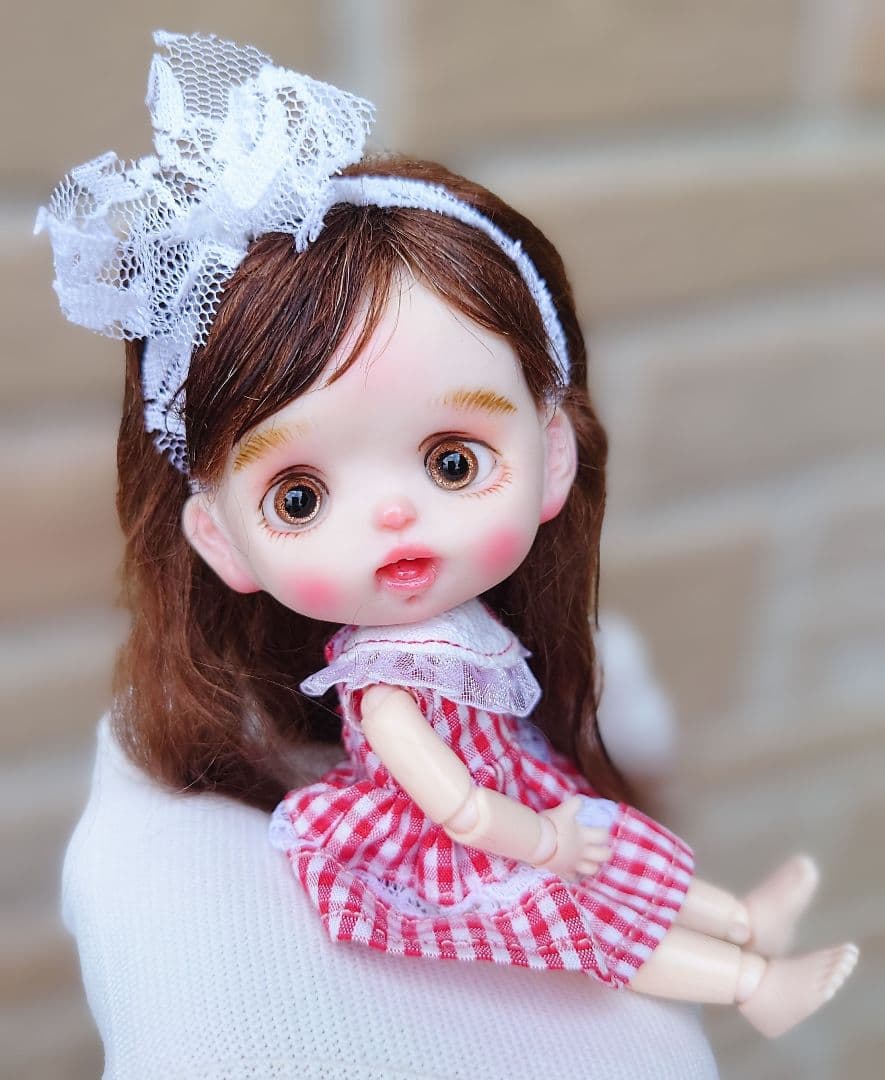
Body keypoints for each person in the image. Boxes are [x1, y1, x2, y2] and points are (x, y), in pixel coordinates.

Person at [41, 30, 856, 1076]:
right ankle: (753, 983)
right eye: (300, 497)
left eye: (453, 462)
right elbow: (449, 803)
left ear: (551, 456)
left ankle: (743, 919)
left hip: (519, 792)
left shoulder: (486, 639)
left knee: (620, 859)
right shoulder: (384, 684)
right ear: (219, 540)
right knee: (585, 919)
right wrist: (537, 840)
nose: (394, 518)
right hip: (446, 849)